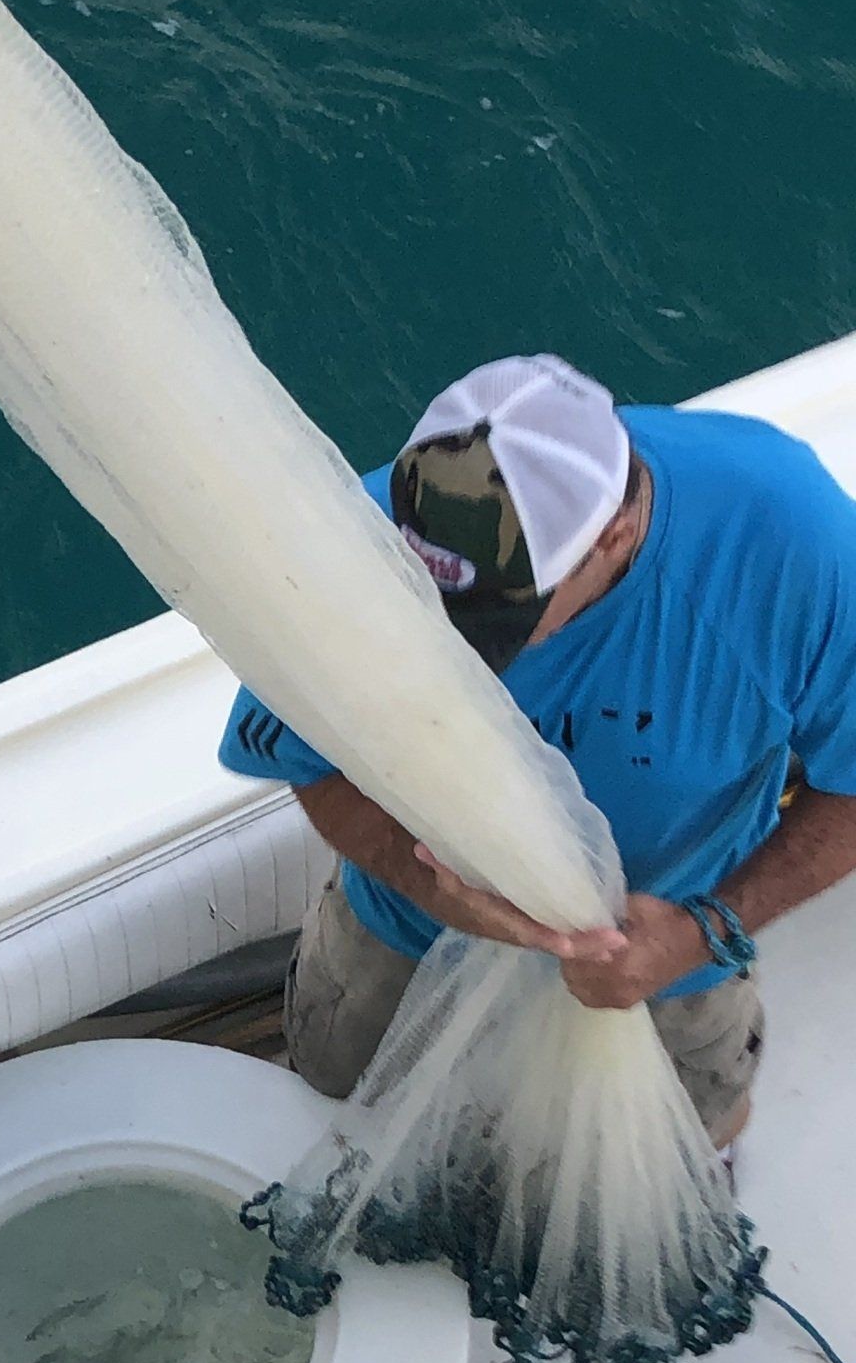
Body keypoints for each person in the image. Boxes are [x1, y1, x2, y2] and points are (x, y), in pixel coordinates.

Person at [220, 352, 856, 1147]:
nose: (453, 645)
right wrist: (425, 884)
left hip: (671, 936)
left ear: (615, 537)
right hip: (407, 922)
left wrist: (705, 932)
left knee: (697, 1135)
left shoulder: (795, 545)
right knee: (332, 1096)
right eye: (427, 604)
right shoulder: (348, 546)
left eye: (496, 619)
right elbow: (306, 758)